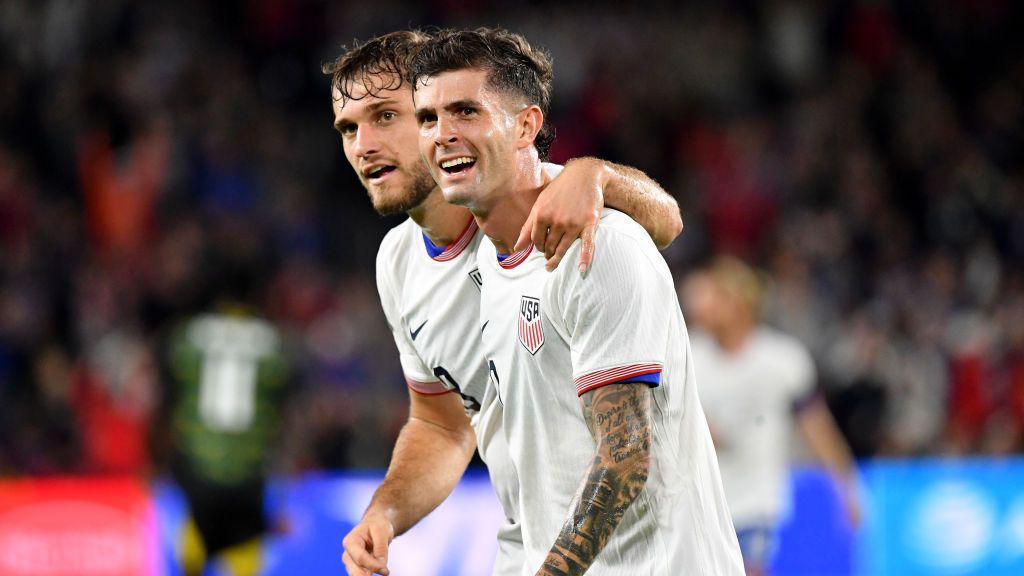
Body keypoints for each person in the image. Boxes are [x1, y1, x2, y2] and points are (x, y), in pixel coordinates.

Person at [322, 30, 684, 576]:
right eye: (348, 128)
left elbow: (662, 222)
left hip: (640, 551)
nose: (362, 145)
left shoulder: (539, 211)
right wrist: (386, 512)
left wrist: (598, 173)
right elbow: (443, 426)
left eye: (384, 117)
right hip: (529, 544)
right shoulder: (397, 263)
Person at [410, 28, 743, 576]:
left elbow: (626, 459)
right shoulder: (490, 268)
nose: (442, 134)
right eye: (428, 118)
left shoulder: (601, 244)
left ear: (526, 126)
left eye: (465, 111)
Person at [682, 256, 861, 576]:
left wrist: (846, 487)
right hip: (699, 502)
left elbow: (817, 427)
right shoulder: (687, 354)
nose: (704, 306)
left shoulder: (783, 359)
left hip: (756, 501)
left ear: (740, 303)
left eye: (717, 297)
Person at [167, 268, 289, 576]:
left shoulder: (190, 335)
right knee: (245, 538)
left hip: (200, 462)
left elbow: (173, 381)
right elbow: (282, 395)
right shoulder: (272, 342)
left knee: (197, 530)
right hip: (249, 464)